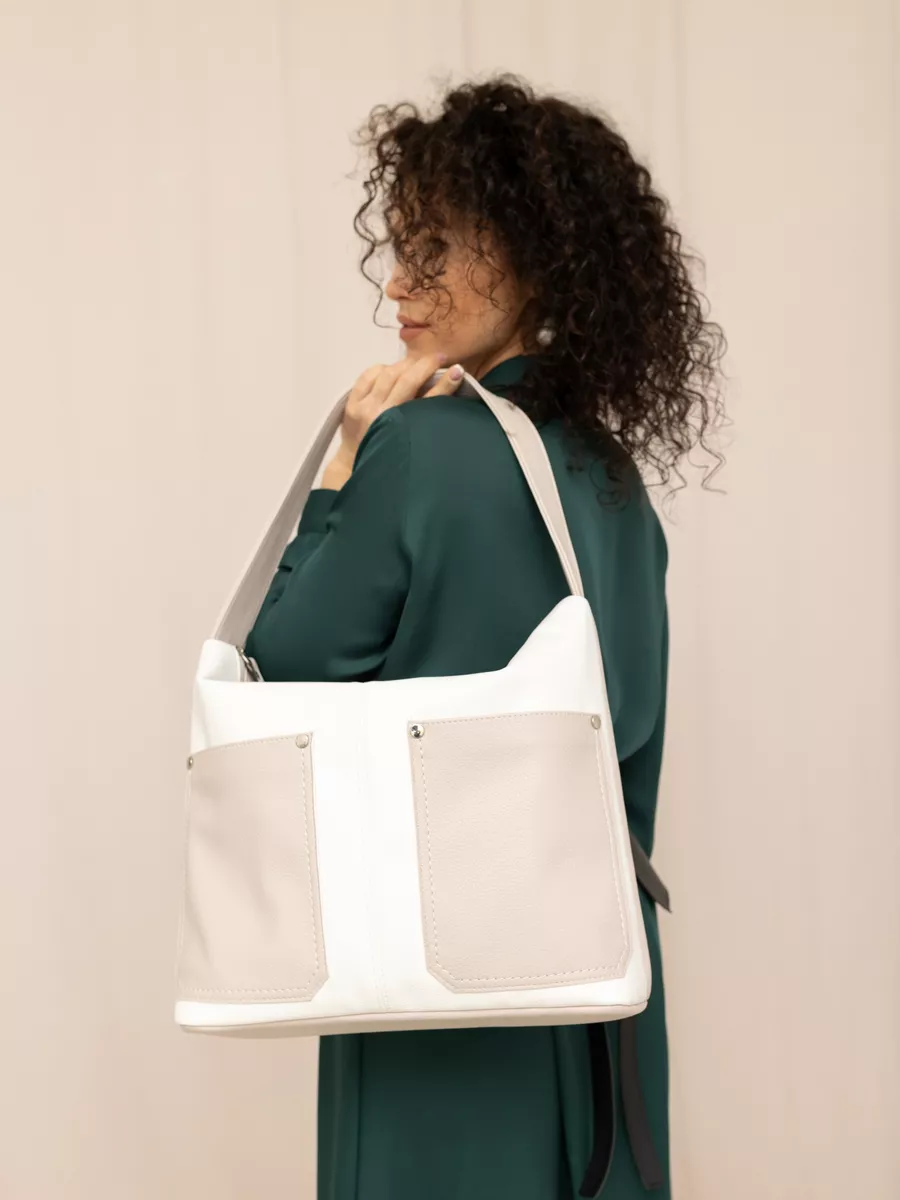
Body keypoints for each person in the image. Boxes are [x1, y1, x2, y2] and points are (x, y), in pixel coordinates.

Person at [244, 73, 725, 1200]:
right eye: (398, 250)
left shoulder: (418, 448)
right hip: (597, 981)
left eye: (434, 251)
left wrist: (343, 466)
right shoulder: (610, 477)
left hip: (442, 984)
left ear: (533, 260)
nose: (399, 284)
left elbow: (284, 668)